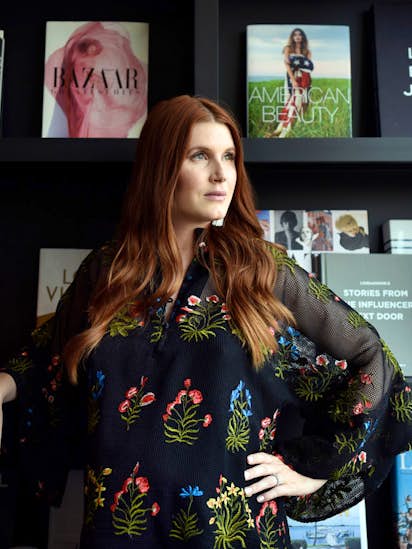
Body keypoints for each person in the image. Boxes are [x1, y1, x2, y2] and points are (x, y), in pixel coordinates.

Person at [0, 95, 411, 548]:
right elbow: (50, 352)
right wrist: (3, 385)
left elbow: (371, 357)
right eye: (200, 155)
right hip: (117, 532)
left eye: (229, 157)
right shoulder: (107, 271)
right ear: (161, 168)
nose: (221, 174)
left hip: (231, 533)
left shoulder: (261, 271)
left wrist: (313, 469)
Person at [268, 27, 314, 138]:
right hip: (291, 76)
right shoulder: (288, 48)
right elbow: (287, 64)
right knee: (291, 101)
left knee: (303, 101)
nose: (297, 37)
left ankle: (296, 124)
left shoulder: (307, 51)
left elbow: (307, 67)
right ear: (292, 37)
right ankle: (283, 128)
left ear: (303, 37)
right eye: (295, 35)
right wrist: (293, 80)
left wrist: (305, 81)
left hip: (303, 77)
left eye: (300, 34)